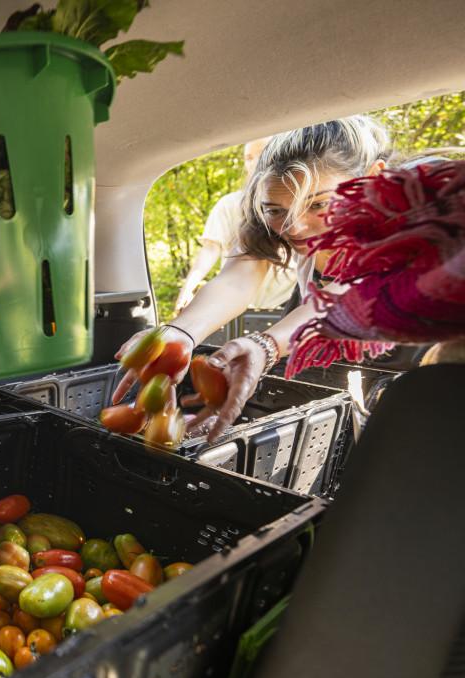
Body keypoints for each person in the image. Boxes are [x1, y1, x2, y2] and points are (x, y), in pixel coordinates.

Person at [112, 115, 459, 442]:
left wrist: (268, 343)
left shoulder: (420, 201)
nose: (294, 228)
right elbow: (237, 277)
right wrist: (181, 333)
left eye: (318, 205)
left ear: (373, 177)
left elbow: (364, 286)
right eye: (276, 211)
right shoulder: (263, 205)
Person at [173, 137, 296, 314]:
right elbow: (210, 249)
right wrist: (188, 288)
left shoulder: (297, 202)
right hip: (239, 305)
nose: (254, 163)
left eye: (260, 154)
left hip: (286, 304)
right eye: (248, 157)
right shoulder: (229, 204)